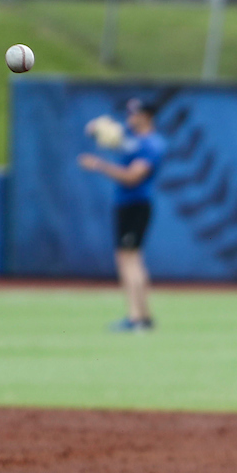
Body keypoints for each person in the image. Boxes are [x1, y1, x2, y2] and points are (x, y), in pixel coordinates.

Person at [78, 99, 165, 333]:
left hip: (136, 204)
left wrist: (99, 165)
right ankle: (143, 316)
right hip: (126, 205)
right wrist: (97, 129)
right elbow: (98, 130)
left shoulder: (152, 145)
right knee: (130, 259)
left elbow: (132, 177)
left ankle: (137, 318)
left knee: (130, 260)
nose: (129, 119)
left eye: (134, 115)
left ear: (146, 116)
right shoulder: (132, 138)